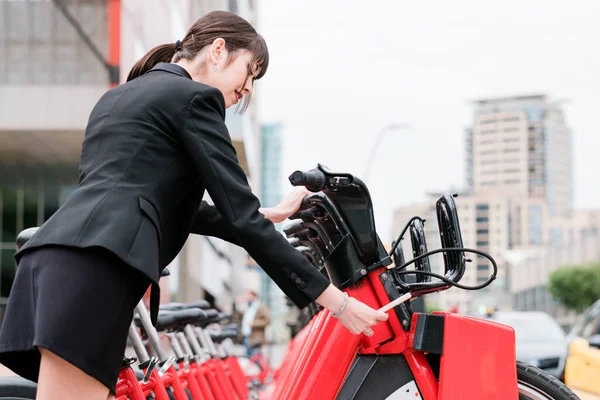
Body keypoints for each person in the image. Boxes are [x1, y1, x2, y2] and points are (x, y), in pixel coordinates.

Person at [0, 10, 387, 400]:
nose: (246, 89)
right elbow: (243, 220)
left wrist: (266, 214)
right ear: (218, 50)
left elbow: (143, 196)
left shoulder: (118, 97)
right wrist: (336, 302)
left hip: (54, 262)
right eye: (249, 72)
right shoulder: (196, 100)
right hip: (96, 269)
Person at [237, 290, 270, 356]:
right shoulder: (246, 307)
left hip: (255, 338)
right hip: (246, 336)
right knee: (249, 358)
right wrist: (238, 306)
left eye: (248, 295)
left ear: (253, 296)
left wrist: (254, 324)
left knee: (255, 359)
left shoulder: (261, 307)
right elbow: (238, 319)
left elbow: (267, 320)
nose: (246, 297)